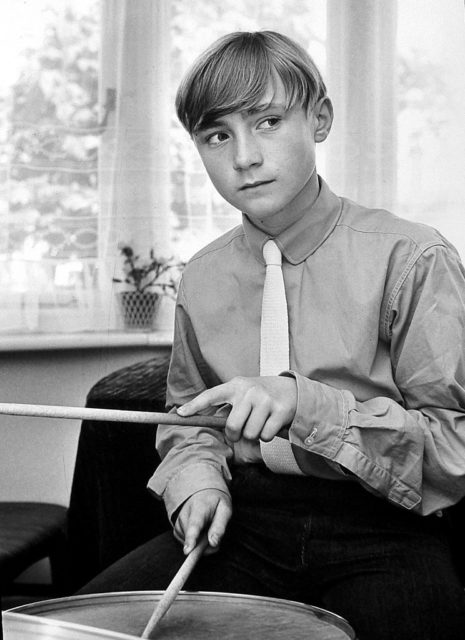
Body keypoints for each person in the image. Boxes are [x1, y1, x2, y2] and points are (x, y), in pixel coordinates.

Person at [81, 31, 465, 639]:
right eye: (217, 134)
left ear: (320, 119)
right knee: (89, 628)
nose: (244, 157)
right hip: (248, 522)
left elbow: (455, 448)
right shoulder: (202, 277)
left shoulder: (413, 258)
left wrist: (303, 403)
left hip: (384, 524)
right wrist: (197, 481)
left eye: (267, 121)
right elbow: (188, 421)